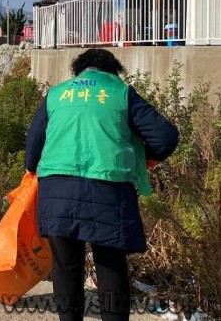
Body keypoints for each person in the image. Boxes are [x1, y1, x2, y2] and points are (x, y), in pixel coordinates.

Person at [25, 49, 179, 321]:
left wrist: (31, 168)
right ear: (112, 70)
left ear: (79, 71)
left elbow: (33, 144)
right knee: (110, 268)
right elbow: (165, 137)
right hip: (108, 192)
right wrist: (148, 159)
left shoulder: (57, 94)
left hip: (57, 192)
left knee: (66, 267)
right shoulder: (120, 93)